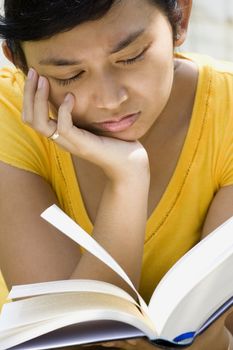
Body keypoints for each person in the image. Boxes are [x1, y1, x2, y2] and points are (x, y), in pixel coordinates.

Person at [0, 0, 232, 349]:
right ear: (18, 63)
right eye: (70, 75)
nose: (110, 99)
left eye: (131, 56)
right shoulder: (7, 115)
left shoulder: (226, 113)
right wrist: (128, 178)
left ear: (181, 18)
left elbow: (215, 331)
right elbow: (67, 344)